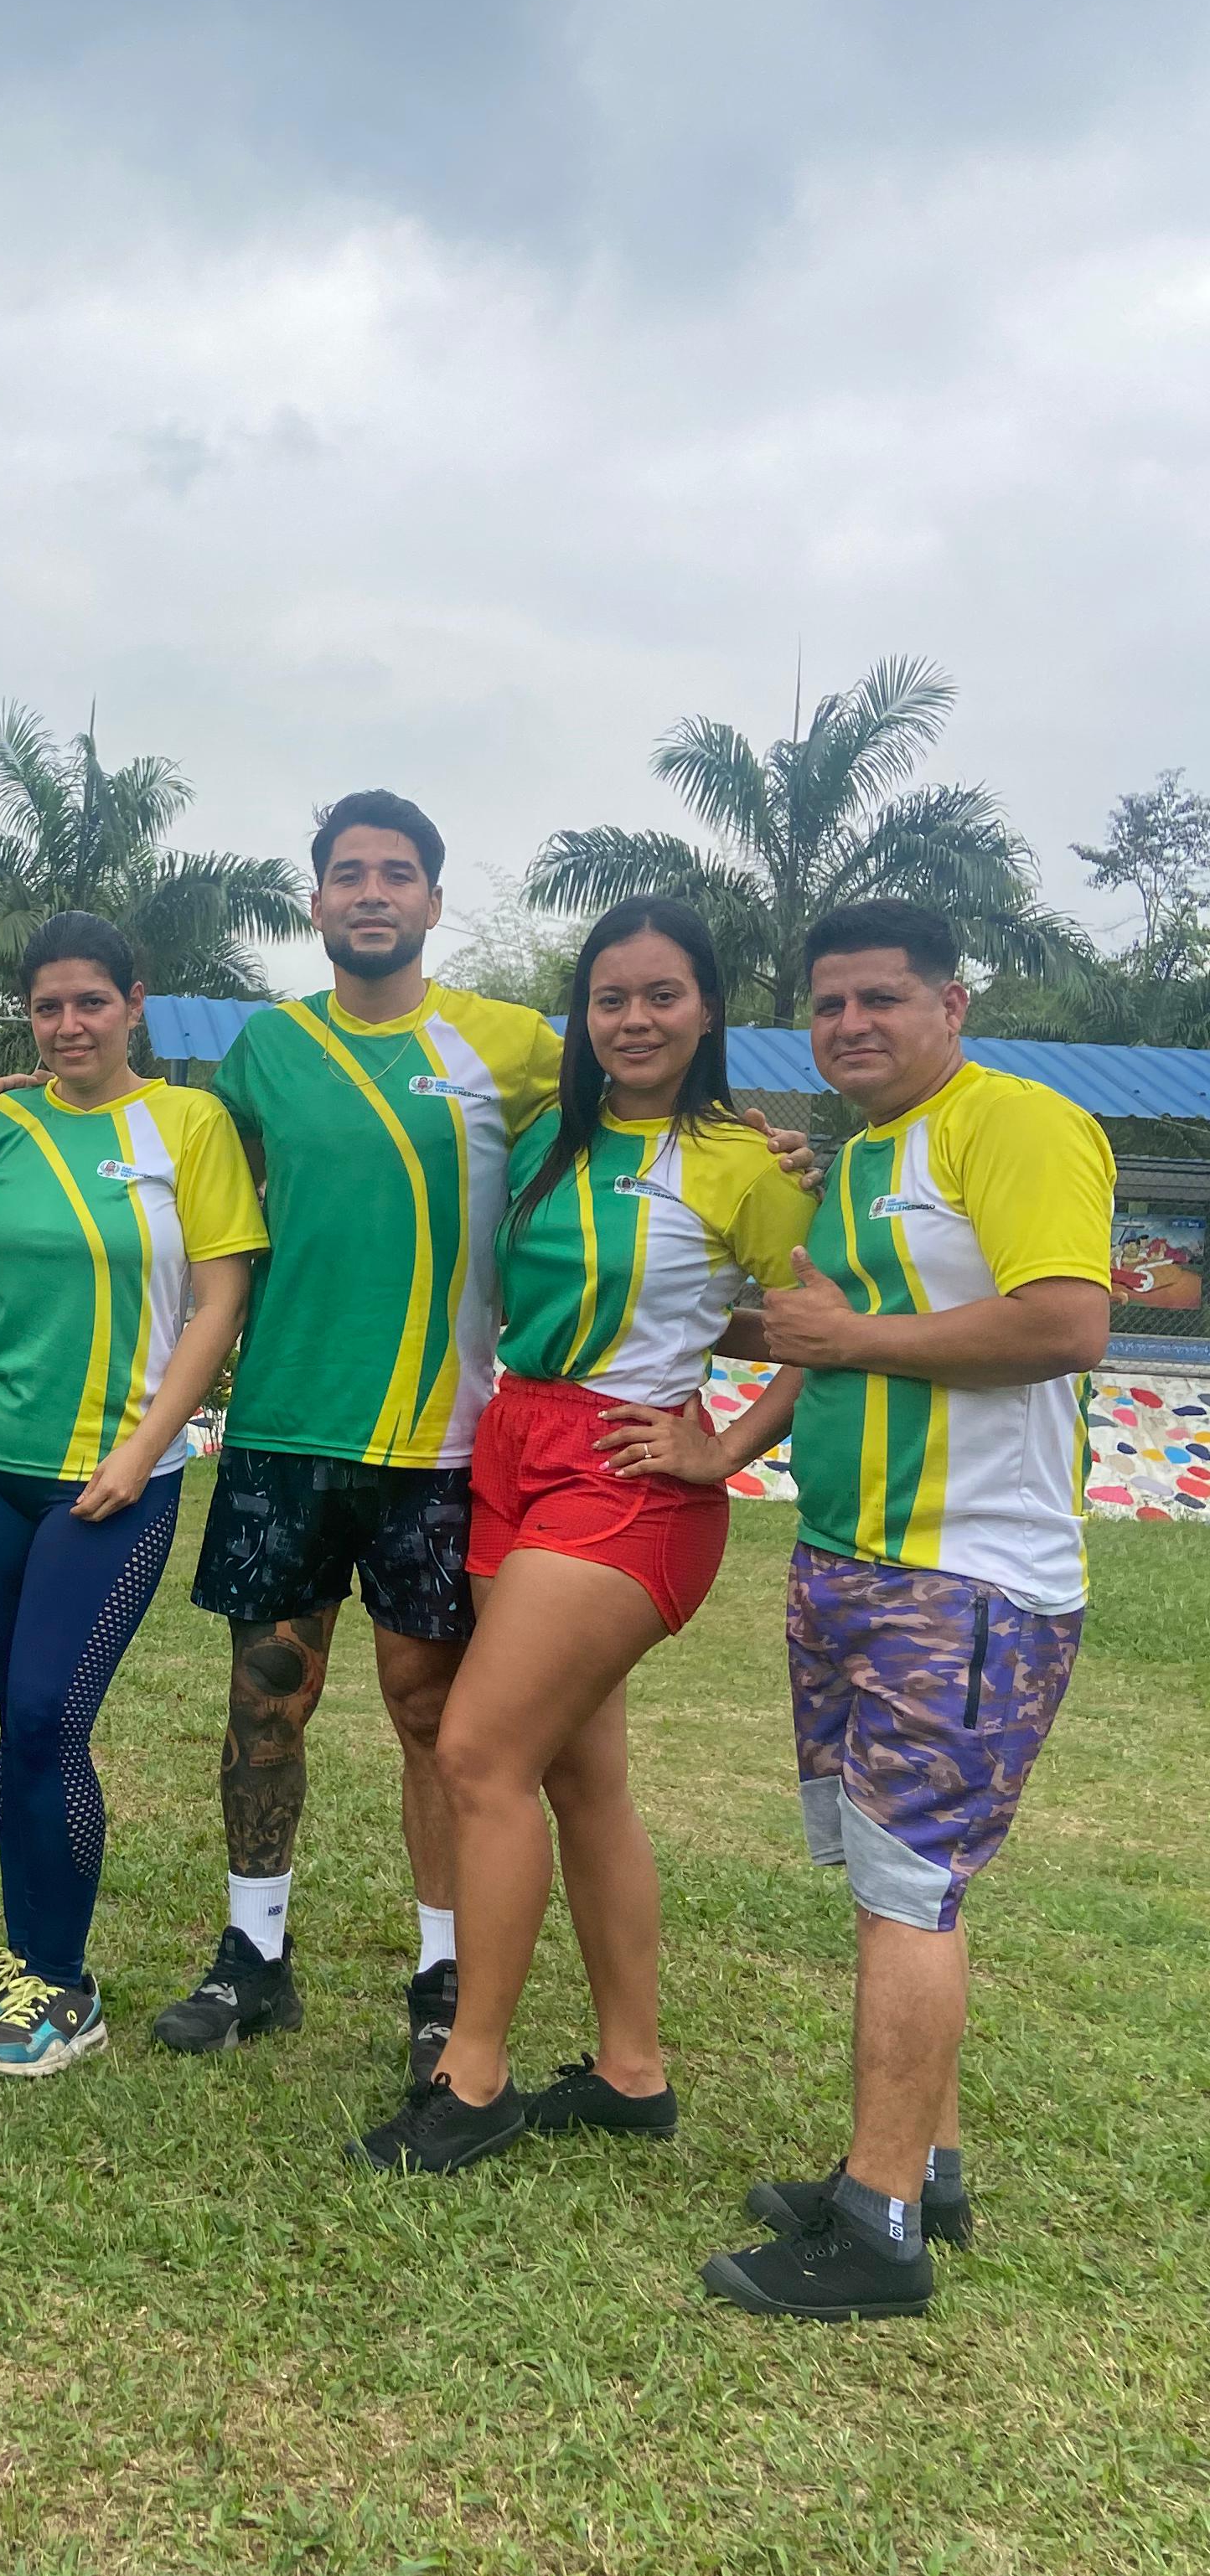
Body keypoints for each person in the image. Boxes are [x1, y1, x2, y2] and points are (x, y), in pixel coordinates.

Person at [353, 899, 814, 2171]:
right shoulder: (550, 1138)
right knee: (580, 1777)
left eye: (663, 995)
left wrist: (724, 1447)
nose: (635, 1020)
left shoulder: (749, 1163)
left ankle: (473, 2079)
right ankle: (631, 2072)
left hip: (627, 1474)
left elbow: (822, 1325)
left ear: (707, 1010)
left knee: (478, 1754)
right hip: (513, 1447)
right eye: (611, 998)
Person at [699, 902, 1112, 2319]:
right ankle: (922, 2172)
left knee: (908, 1892)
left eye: (882, 997)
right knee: (900, 1884)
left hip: (966, 1579)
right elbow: (817, 1339)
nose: (852, 1023)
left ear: (953, 1003)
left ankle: (876, 2235)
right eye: (829, 1004)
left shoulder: (1019, 1125)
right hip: (849, 1561)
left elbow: (1067, 1322)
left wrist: (853, 1334)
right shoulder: (866, 1157)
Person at [156, 792, 562, 2074]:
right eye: (348, 873)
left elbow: (641, 1123)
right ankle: (252, 1957)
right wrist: (35, 1098)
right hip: (285, 1425)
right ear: (318, 899)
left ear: (434, 900)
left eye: (396, 873)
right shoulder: (266, 1052)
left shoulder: (516, 1046)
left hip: (441, 1438)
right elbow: (179, 1162)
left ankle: (443, 1971)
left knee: (432, 1713)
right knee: (265, 1699)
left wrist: (756, 1146)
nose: (371, 892)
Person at [0, 915, 264, 2076]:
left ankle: (66, 1988)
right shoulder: (3, 1125)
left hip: (115, 1482)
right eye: (47, 1006)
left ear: (135, 1002)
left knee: (48, 1717)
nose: (69, 1025)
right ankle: (24, 1958)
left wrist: (142, 1449)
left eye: (91, 1002)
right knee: (19, 1725)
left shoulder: (190, 1126)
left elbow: (220, 1301)